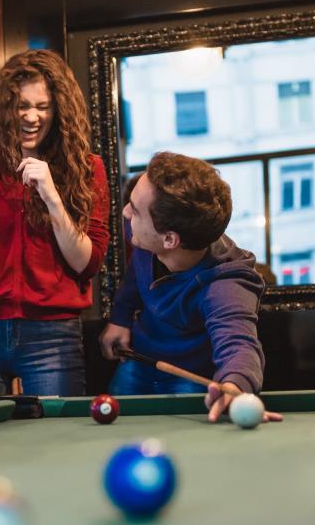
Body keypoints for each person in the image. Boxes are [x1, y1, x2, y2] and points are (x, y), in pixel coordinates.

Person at [0, 49, 111, 402]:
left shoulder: (86, 170)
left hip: (52, 335)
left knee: (56, 445)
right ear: (7, 109)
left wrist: (52, 196)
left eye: (43, 106)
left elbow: (87, 262)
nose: (32, 117)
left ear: (59, 109)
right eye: (22, 106)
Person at [99, 151, 281, 423]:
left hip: (190, 379)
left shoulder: (226, 283)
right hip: (138, 361)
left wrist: (234, 387)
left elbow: (239, 344)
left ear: (170, 239)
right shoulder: (146, 233)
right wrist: (120, 318)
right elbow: (135, 277)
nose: (126, 212)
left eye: (134, 209)